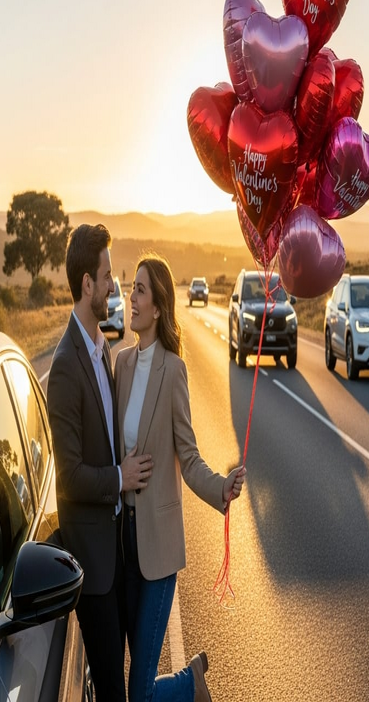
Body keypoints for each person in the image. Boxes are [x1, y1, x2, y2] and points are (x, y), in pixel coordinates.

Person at [115, 253, 246, 702]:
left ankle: (190, 685)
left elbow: (187, 457)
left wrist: (220, 489)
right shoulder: (122, 365)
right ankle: (191, 681)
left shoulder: (173, 370)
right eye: (131, 287)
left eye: (141, 290)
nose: (131, 297)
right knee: (137, 679)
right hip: (124, 543)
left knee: (139, 693)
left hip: (160, 547)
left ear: (158, 307)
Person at [46, 223, 154, 702]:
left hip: (118, 550)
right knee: (113, 687)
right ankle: (189, 687)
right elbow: (67, 479)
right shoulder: (67, 364)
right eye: (108, 275)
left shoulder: (101, 349)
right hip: (90, 563)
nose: (114, 285)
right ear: (87, 283)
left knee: (125, 676)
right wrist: (119, 476)